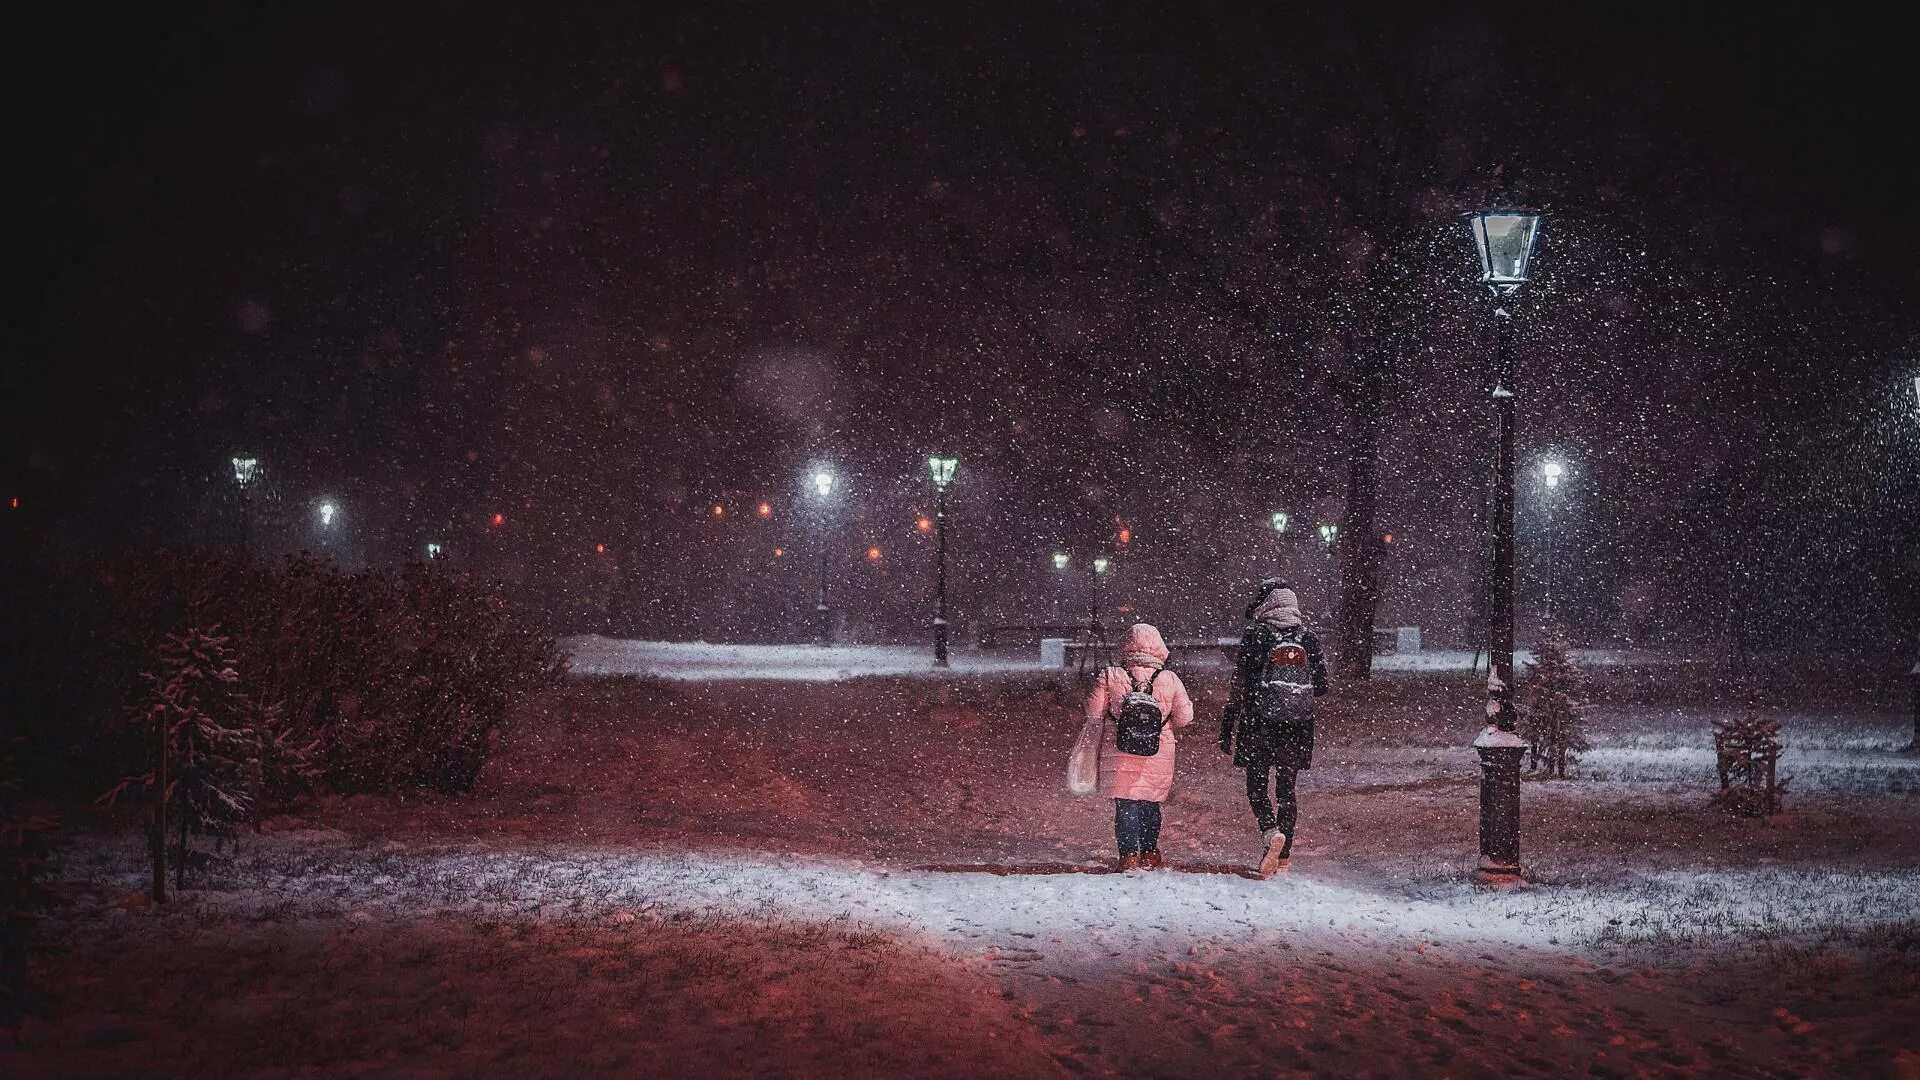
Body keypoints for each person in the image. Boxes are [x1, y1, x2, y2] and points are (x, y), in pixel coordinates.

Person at [1219, 579, 1327, 877]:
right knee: (1287, 792)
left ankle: (1270, 831)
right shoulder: (1309, 637)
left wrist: (1228, 724)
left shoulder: (1256, 635)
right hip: (1298, 725)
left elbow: (1239, 685)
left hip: (1259, 723)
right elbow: (1320, 687)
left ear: (1266, 603)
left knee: (1256, 786)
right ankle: (1284, 859)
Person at [1083, 622, 1194, 871]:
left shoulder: (1111, 674)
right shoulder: (1169, 679)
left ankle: (1128, 856)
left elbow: (1093, 712)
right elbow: (1185, 718)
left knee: (1126, 803)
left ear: (1127, 646)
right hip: (1157, 751)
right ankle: (1150, 853)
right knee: (1150, 803)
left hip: (1120, 750)